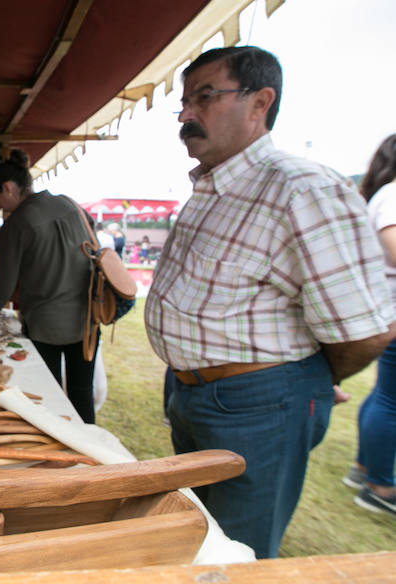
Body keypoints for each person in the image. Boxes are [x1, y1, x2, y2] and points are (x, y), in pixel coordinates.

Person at [144, 46, 396, 558]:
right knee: (196, 537)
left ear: (261, 102)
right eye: (185, 102)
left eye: (205, 97)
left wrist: (304, 381)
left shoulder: (302, 188)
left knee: (238, 554)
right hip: (196, 393)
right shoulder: (215, 186)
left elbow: (365, 330)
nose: (187, 115)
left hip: (257, 404)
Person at [0, 148, 98, 423]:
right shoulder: (70, 205)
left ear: (9, 188)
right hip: (87, 320)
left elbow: (1, 291)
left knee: (48, 395)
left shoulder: (16, 224)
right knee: (82, 392)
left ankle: (57, 453)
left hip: (47, 325)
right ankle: (92, 454)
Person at [343, 133, 396, 518]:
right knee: (391, 400)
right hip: (391, 312)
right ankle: (378, 484)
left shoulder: (383, 193)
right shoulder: (393, 196)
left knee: (386, 395)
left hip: (386, 309)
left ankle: (365, 467)